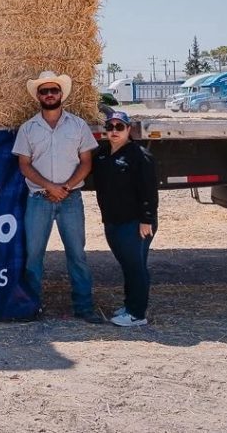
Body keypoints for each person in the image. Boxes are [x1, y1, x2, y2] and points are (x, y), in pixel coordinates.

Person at [12, 71, 102, 323]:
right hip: (39, 199)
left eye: (53, 90)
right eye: (44, 91)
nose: (49, 94)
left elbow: (86, 162)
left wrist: (65, 187)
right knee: (33, 256)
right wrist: (50, 186)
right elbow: (24, 165)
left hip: (70, 198)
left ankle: (84, 308)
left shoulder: (78, 125)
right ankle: (31, 307)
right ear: (38, 96)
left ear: (61, 94)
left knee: (77, 255)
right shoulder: (28, 128)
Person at [92, 110, 158, 327]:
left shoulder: (139, 156)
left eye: (119, 127)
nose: (113, 131)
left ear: (129, 130)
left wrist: (146, 220)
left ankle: (137, 314)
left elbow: (149, 192)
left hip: (135, 223)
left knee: (135, 266)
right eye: (110, 127)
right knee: (127, 265)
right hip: (112, 221)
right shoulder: (102, 155)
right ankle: (130, 304)